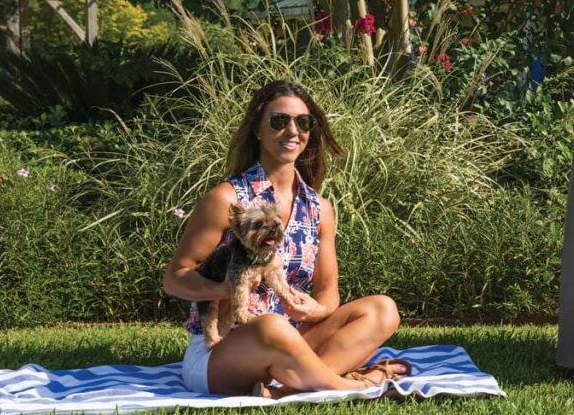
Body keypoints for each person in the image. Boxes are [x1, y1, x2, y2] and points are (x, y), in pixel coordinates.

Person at [163, 80, 408, 398]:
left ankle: (282, 390)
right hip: (222, 352)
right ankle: (352, 386)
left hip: (291, 338)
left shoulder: (320, 209)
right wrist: (224, 289)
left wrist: (315, 311)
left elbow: (328, 292)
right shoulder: (227, 199)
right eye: (279, 121)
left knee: (383, 309)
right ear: (258, 130)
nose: (292, 130)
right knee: (271, 325)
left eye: (302, 122)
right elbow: (175, 278)